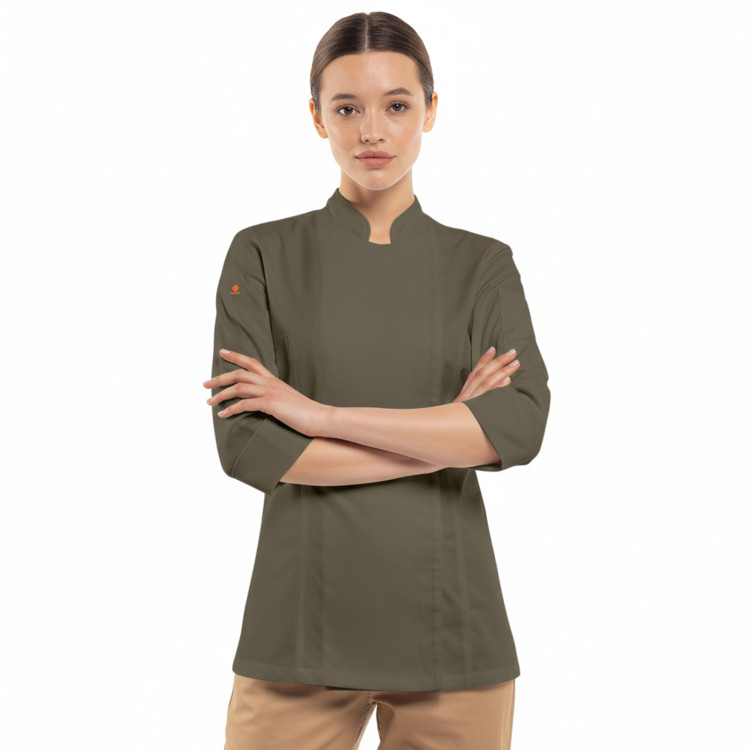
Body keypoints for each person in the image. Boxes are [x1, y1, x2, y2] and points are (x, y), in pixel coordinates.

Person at [203, 11, 551, 750]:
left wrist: (315, 415)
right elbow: (249, 448)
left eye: (396, 105)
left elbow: (518, 427)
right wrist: (448, 432)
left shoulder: (483, 265)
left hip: (454, 637)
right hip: (295, 635)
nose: (372, 131)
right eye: (346, 108)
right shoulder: (261, 255)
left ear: (431, 109)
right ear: (316, 118)